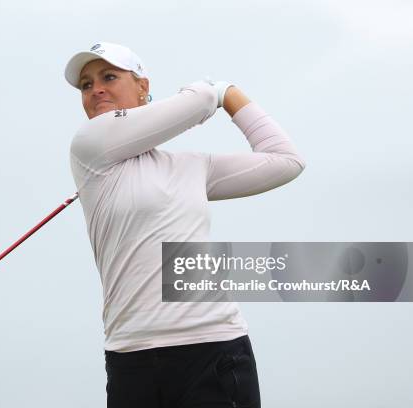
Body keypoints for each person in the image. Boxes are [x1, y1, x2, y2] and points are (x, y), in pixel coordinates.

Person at [64, 41, 305, 408]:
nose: (96, 88)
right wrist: (213, 91)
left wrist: (231, 94)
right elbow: (199, 102)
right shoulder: (88, 146)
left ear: (143, 87)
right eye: (86, 84)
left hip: (215, 350)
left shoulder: (193, 167)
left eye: (109, 76)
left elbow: (286, 160)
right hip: (130, 357)